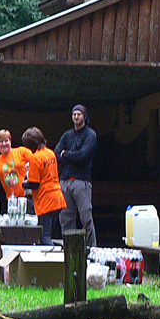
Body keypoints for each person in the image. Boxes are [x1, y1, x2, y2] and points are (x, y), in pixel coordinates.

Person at [55, 103, 98, 247]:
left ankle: (92, 248)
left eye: (79, 114)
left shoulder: (90, 135)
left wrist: (66, 154)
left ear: (84, 116)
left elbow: (83, 156)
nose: (76, 116)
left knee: (86, 217)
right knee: (65, 217)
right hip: (65, 180)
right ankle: (70, 248)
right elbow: (56, 154)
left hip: (81, 181)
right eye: (74, 114)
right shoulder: (67, 135)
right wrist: (70, 156)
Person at [21, 127, 67, 246]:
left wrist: (23, 183)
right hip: (58, 198)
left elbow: (34, 183)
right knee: (49, 234)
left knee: (44, 236)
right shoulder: (50, 153)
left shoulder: (35, 158)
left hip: (46, 201)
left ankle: (52, 257)